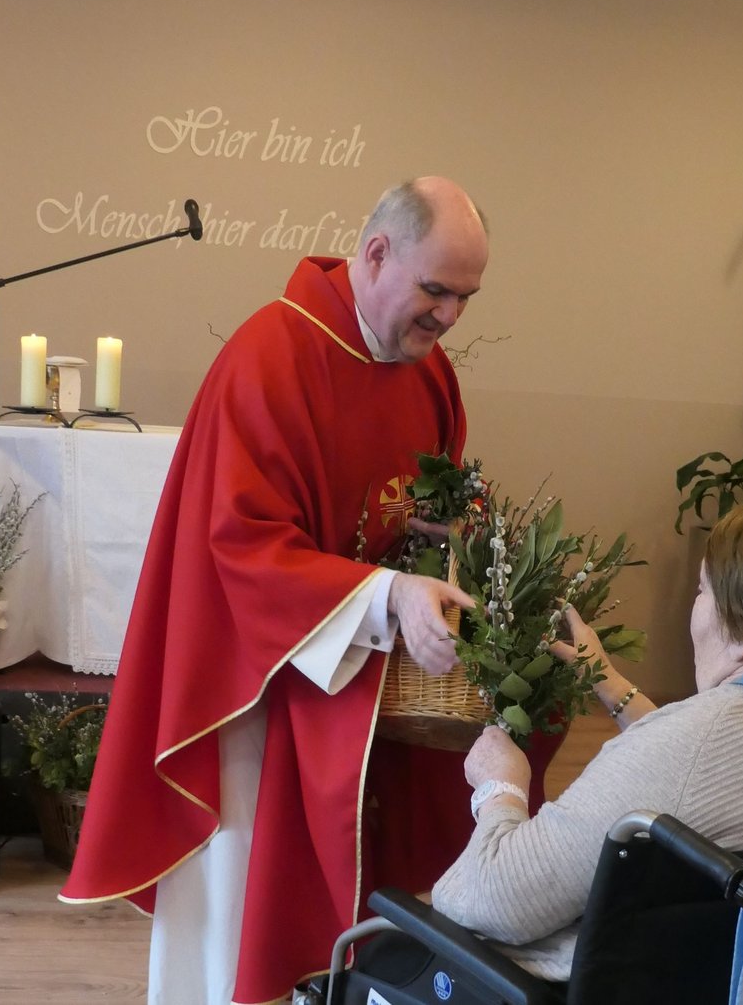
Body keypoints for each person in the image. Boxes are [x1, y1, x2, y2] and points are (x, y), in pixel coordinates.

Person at [60, 177, 505, 1005]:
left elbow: (423, 506)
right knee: (239, 906)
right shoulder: (273, 355)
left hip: (355, 683)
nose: (449, 318)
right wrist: (387, 595)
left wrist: (450, 544)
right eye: (435, 291)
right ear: (375, 254)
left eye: (464, 297)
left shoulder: (428, 373)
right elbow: (242, 543)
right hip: (249, 681)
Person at [431, 501, 743, 981]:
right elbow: (714, 775)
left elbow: (490, 902)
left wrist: (500, 789)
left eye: (702, 589)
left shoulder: (685, 751)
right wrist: (608, 681)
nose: (696, 605)